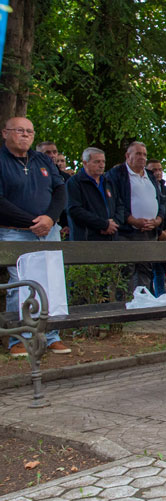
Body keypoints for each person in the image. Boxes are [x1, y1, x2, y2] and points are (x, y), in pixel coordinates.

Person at [0, 117, 70, 357]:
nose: (25, 135)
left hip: (49, 230)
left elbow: (60, 190)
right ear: (5, 133)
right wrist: (32, 222)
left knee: (52, 282)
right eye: (19, 130)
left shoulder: (42, 159)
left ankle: (51, 336)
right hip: (15, 232)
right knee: (20, 285)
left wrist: (50, 218)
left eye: (29, 131)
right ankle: (20, 338)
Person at [106, 142, 166, 293]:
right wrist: (131, 220)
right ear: (128, 155)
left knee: (146, 270)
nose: (142, 157)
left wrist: (158, 220)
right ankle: (127, 303)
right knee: (126, 271)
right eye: (138, 154)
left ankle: (144, 301)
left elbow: (161, 200)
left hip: (149, 232)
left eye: (144, 154)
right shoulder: (117, 174)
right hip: (127, 232)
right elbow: (115, 201)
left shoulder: (150, 175)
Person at [66, 148, 120, 241]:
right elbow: (74, 210)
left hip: (111, 237)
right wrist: (103, 225)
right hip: (86, 239)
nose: (102, 165)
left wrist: (113, 224)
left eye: (103, 161)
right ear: (85, 163)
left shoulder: (108, 182)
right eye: (97, 162)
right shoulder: (75, 182)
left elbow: (120, 206)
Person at [146, 159, 166, 296]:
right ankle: (159, 298)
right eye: (154, 170)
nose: (158, 173)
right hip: (153, 235)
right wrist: (158, 232)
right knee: (156, 271)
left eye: (160, 170)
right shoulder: (147, 189)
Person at [35, 140, 72, 237]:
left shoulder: (65, 177)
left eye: (54, 152)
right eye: (47, 152)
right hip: (37, 223)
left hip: (58, 226)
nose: (52, 155)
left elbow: (69, 201)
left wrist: (67, 224)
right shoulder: (31, 174)